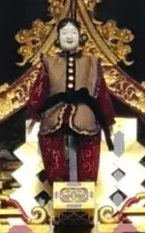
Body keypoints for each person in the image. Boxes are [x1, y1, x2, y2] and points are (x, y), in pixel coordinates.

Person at [26, 13, 115, 184]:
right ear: (57, 38)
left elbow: (101, 92)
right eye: (64, 33)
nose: (69, 36)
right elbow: (40, 88)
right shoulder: (49, 62)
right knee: (51, 143)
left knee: (89, 147)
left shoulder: (92, 62)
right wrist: (34, 112)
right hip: (55, 112)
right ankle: (58, 182)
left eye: (73, 33)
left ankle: (86, 185)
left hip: (85, 112)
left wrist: (106, 119)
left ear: (80, 37)